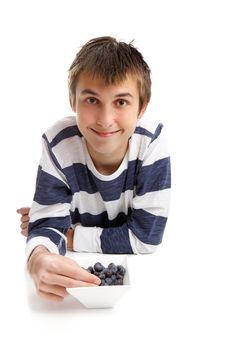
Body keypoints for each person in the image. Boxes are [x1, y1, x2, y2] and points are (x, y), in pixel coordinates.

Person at [17, 36, 171, 302]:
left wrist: (70, 235)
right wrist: (38, 257)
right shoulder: (59, 143)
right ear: (72, 101)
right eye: (91, 100)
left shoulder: (151, 144)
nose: (105, 120)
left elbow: (145, 239)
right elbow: (46, 228)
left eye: (121, 102)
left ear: (142, 107)